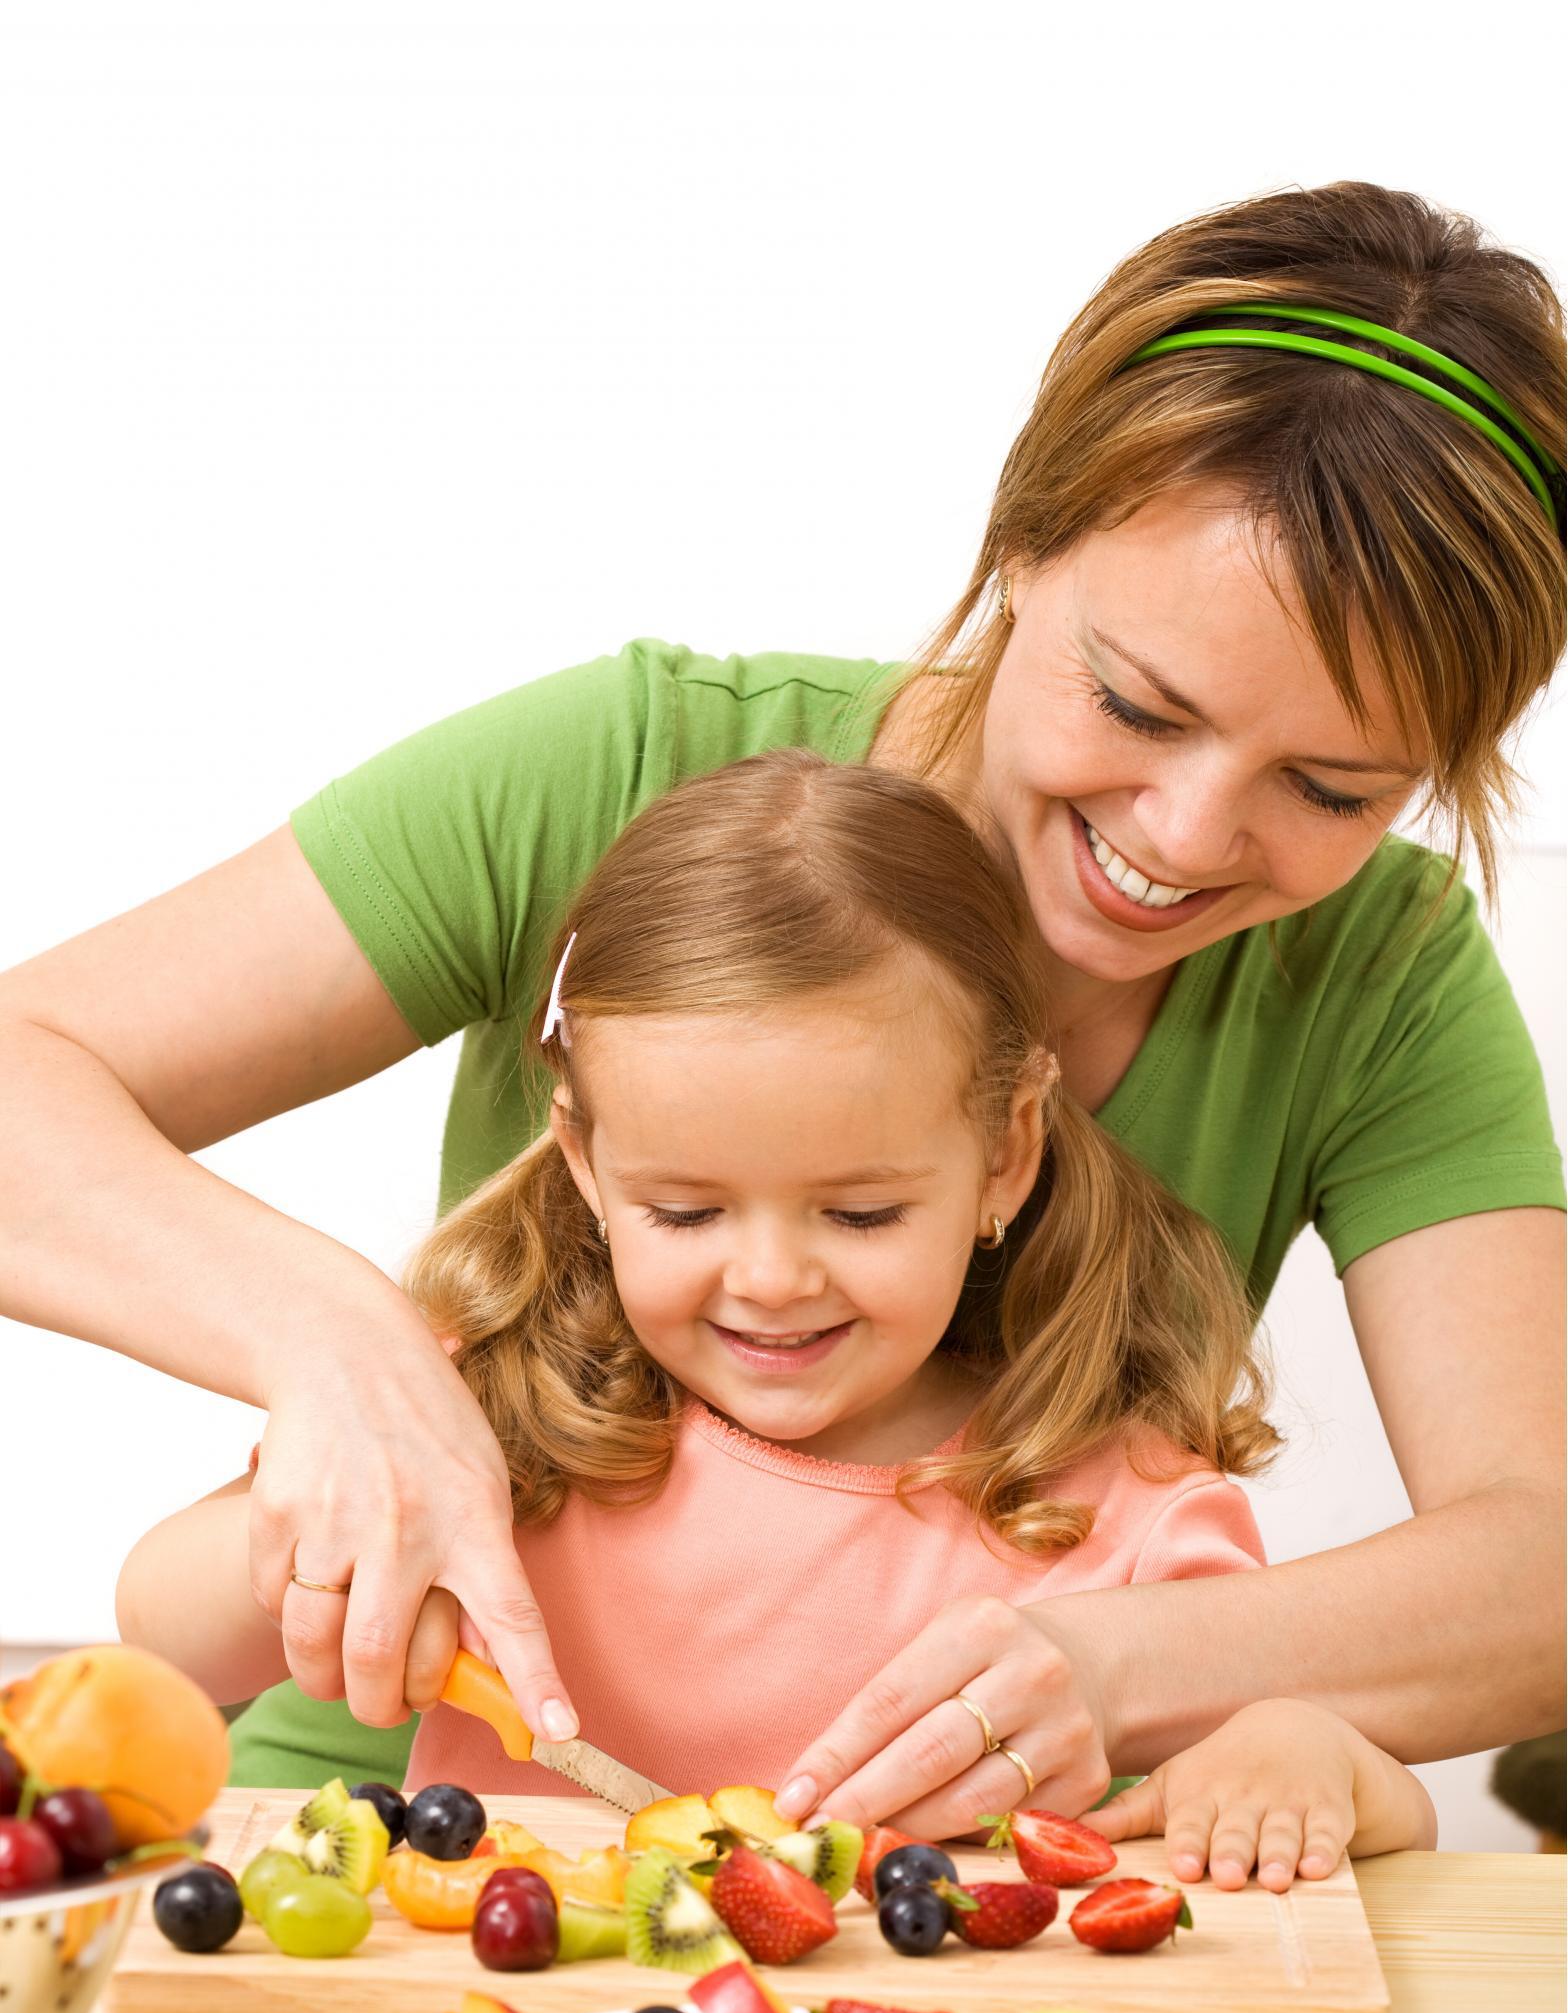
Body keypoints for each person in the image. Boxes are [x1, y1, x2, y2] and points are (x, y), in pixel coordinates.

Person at [5, 182, 1563, 1833]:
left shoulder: (1379, 974)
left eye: (1329, 788)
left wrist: (1122, 1671)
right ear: (1022, 542)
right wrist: (342, 1352)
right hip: (386, 1849)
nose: (1180, 841)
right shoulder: (616, 769)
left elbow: (1539, 1561)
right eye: (1134, 702)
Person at [117, 756, 1436, 1886]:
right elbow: (160, 1620)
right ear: (585, 1165)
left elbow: (1384, 1807)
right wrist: (310, 1561)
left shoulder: (1127, 1516)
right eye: (685, 1215)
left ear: (1004, 1155)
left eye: (859, 1217)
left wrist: (1306, 1758)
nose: (769, 1279)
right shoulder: (493, 1421)